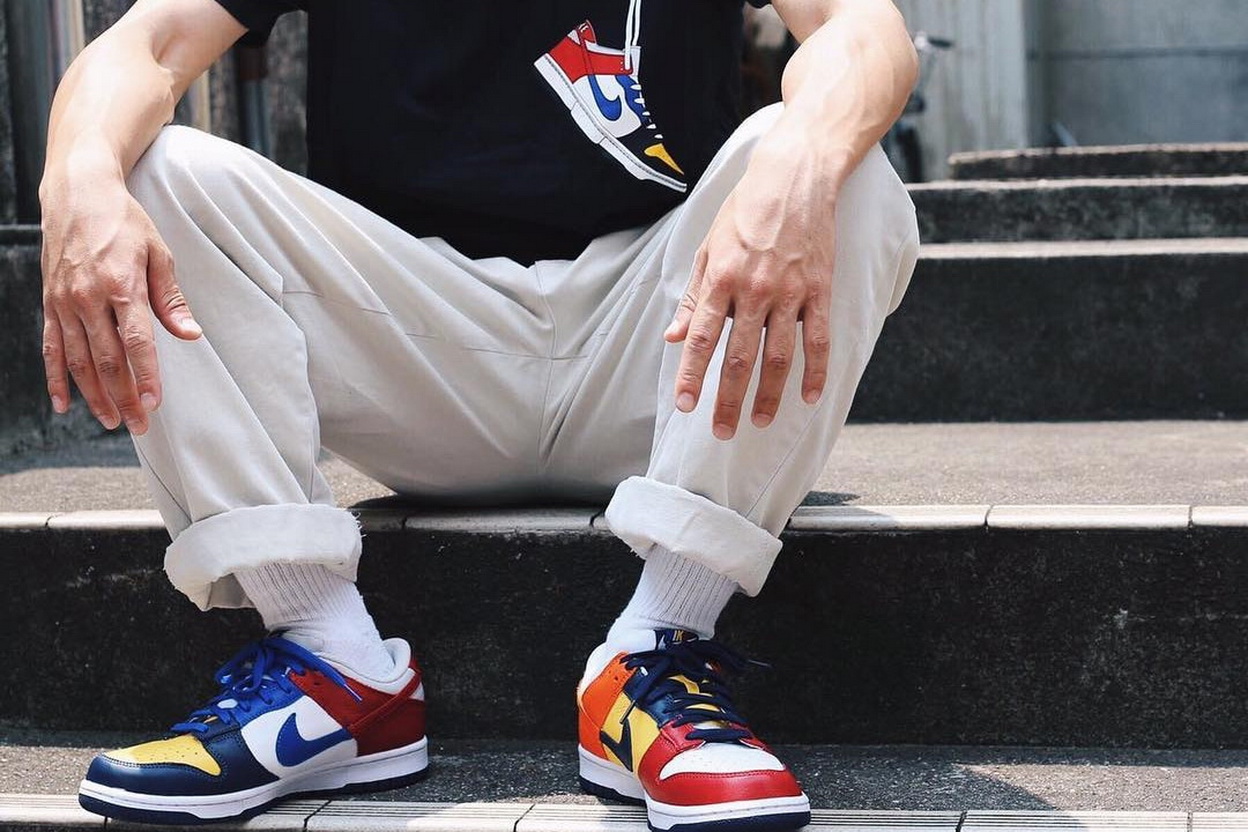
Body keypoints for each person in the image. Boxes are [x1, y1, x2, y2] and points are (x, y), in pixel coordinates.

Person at [39, 1, 919, 829]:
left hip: (661, 347)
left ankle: (659, 648)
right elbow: (146, 43)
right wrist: (77, 179)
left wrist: (799, 162)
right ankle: (328, 658)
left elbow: (862, 27)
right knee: (151, 171)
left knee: (840, 164)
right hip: (417, 348)